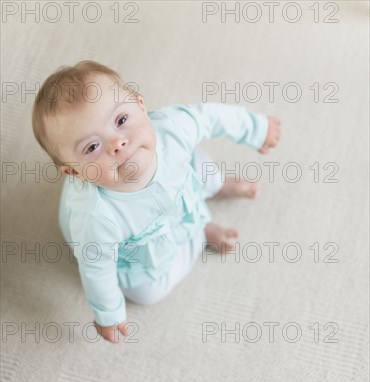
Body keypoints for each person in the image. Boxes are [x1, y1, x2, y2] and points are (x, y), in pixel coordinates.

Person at [32, 60, 281, 344]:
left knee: (201, 165)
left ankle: (219, 185)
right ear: (75, 172)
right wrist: (109, 312)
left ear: (140, 107)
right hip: (140, 245)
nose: (117, 143)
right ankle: (201, 232)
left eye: (121, 120)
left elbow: (210, 117)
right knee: (147, 294)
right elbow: (96, 269)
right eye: (92, 147)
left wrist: (256, 128)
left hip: (180, 186)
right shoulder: (95, 218)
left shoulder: (170, 129)